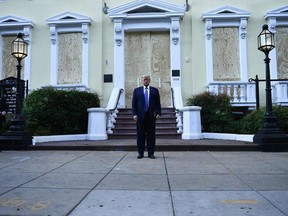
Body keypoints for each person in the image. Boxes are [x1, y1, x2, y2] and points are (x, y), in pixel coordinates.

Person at [132, 75, 161, 159]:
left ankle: (151, 153)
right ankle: (140, 153)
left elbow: (158, 103)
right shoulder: (137, 91)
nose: (146, 81)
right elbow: (134, 104)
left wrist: (159, 113)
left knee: (151, 136)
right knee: (140, 136)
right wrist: (134, 114)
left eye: (147, 79)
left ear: (149, 81)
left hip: (151, 117)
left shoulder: (154, 91)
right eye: (144, 79)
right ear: (142, 81)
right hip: (140, 117)